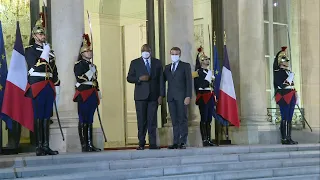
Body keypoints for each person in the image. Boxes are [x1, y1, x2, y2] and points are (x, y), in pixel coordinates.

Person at [25, 18, 60, 156]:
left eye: (43, 34)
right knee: (39, 116)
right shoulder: (30, 50)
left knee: (47, 116)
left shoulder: (50, 52)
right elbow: (34, 64)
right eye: (39, 34)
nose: (42, 36)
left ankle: (46, 145)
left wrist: (57, 83)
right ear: (34, 36)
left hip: (48, 85)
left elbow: (54, 70)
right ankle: (39, 146)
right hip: (37, 85)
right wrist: (45, 53)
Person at [127, 44, 165, 150]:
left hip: (154, 96)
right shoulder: (135, 63)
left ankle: (153, 143)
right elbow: (129, 77)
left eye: (147, 50)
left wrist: (161, 95)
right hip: (140, 97)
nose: (145, 52)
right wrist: (139, 79)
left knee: (152, 120)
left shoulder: (157, 63)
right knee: (141, 120)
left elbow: (161, 80)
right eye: (143, 50)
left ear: (151, 51)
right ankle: (141, 143)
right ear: (141, 51)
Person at [73, 34, 102, 152]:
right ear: (82, 53)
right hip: (83, 93)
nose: (90, 53)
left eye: (90, 51)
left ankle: (90, 143)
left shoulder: (93, 65)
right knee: (83, 118)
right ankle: (84, 145)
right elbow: (80, 78)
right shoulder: (78, 65)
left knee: (90, 119)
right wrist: (90, 72)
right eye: (87, 51)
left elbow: (95, 80)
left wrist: (98, 90)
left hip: (92, 93)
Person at [164, 47, 192, 149]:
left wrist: (188, 96)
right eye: (172, 54)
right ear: (170, 54)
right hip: (171, 97)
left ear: (179, 55)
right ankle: (175, 141)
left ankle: (183, 141)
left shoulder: (185, 66)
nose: (174, 56)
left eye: (176, 54)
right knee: (174, 120)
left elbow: (189, 81)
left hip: (182, 97)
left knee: (182, 119)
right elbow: (162, 80)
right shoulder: (167, 68)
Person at [273, 46, 299, 145]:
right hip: (283, 96)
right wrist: (289, 78)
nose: (287, 62)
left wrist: (296, 94)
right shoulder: (278, 73)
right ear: (280, 61)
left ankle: (289, 137)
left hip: (291, 95)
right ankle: (284, 138)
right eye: (285, 60)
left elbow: (292, 86)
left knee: (289, 117)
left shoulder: (288, 72)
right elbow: (281, 84)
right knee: (285, 117)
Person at [193, 50, 216, 147]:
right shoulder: (197, 72)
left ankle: (209, 138)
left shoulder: (209, 72)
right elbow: (199, 85)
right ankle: (204, 139)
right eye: (205, 59)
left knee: (209, 118)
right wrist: (208, 78)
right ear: (201, 61)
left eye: (208, 59)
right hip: (203, 96)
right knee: (204, 117)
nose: (207, 61)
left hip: (210, 96)